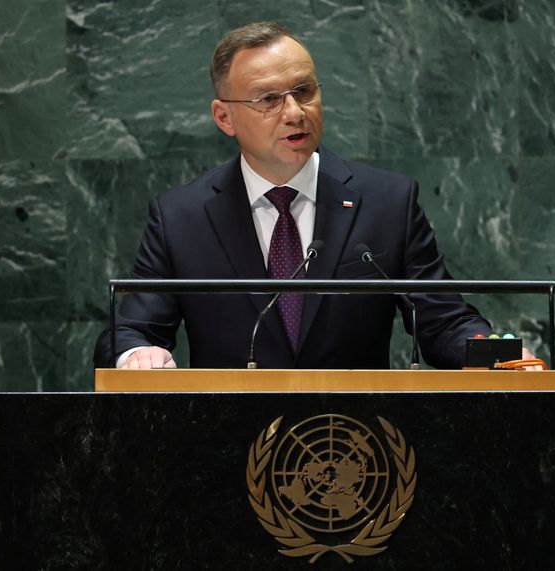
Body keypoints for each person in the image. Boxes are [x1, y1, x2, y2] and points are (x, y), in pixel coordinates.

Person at [93, 21, 495, 370]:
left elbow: (444, 322)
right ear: (224, 117)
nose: (295, 112)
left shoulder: (388, 202)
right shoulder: (182, 217)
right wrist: (136, 354)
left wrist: (496, 355)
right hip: (228, 442)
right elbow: (131, 330)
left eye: (304, 91)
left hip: (356, 441)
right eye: (268, 99)